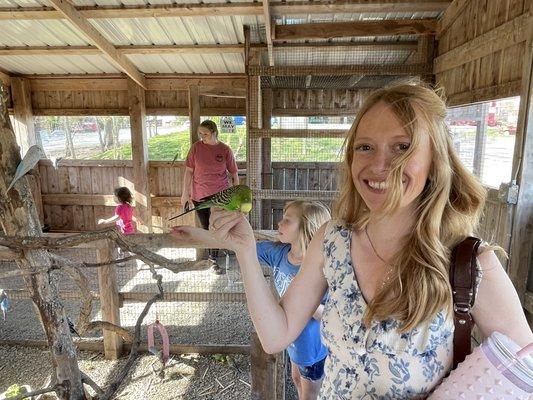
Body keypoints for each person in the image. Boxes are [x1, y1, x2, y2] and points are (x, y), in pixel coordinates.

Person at [172, 82, 533, 398]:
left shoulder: (469, 265)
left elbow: (523, 379)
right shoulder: (333, 240)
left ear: (435, 161)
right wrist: (246, 251)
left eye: (402, 147)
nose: (379, 165)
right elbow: (276, 335)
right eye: (365, 147)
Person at [257, 201, 330, 399]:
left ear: (306, 228)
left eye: (287, 220)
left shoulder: (323, 270)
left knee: (310, 393)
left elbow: (331, 316)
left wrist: (307, 304)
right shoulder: (280, 254)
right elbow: (248, 248)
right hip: (292, 340)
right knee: (296, 379)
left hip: (313, 347)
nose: (279, 223)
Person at [181, 119, 239, 274]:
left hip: (219, 197)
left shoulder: (224, 150)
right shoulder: (196, 148)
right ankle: (213, 260)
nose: (202, 137)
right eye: (200, 133)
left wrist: (236, 194)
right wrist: (185, 194)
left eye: (205, 133)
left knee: (217, 226)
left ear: (214, 132)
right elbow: (188, 172)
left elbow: (234, 173)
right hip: (199, 196)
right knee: (206, 227)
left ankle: (218, 255)